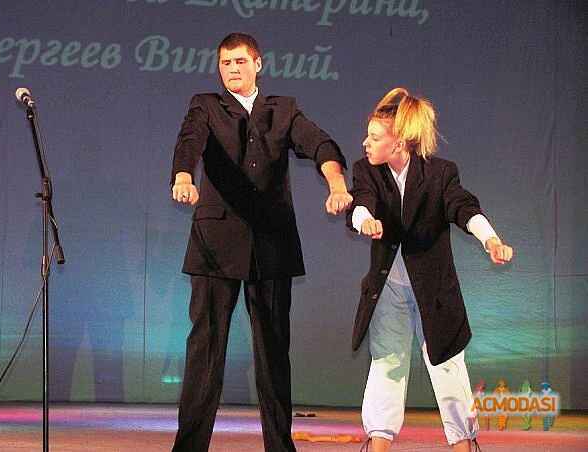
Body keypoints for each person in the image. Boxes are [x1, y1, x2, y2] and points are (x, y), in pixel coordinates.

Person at [170, 32, 351, 452]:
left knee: (273, 354)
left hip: (271, 246)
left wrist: (337, 183)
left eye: (239, 61)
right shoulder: (206, 106)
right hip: (215, 244)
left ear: (258, 64)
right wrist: (183, 177)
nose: (232, 69)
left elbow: (318, 143)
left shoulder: (282, 110)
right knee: (205, 352)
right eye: (225, 63)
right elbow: (189, 141)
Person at [346, 88, 513, 452]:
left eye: (374, 137)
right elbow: (360, 202)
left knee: (448, 365)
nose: (365, 143)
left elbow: (463, 208)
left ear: (399, 142)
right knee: (387, 363)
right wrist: (365, 220)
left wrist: (490, 239)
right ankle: (378, 444)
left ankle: (463, 443)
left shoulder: (440, 173)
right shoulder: (366, 171)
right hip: (388, 290)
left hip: (434, 291)